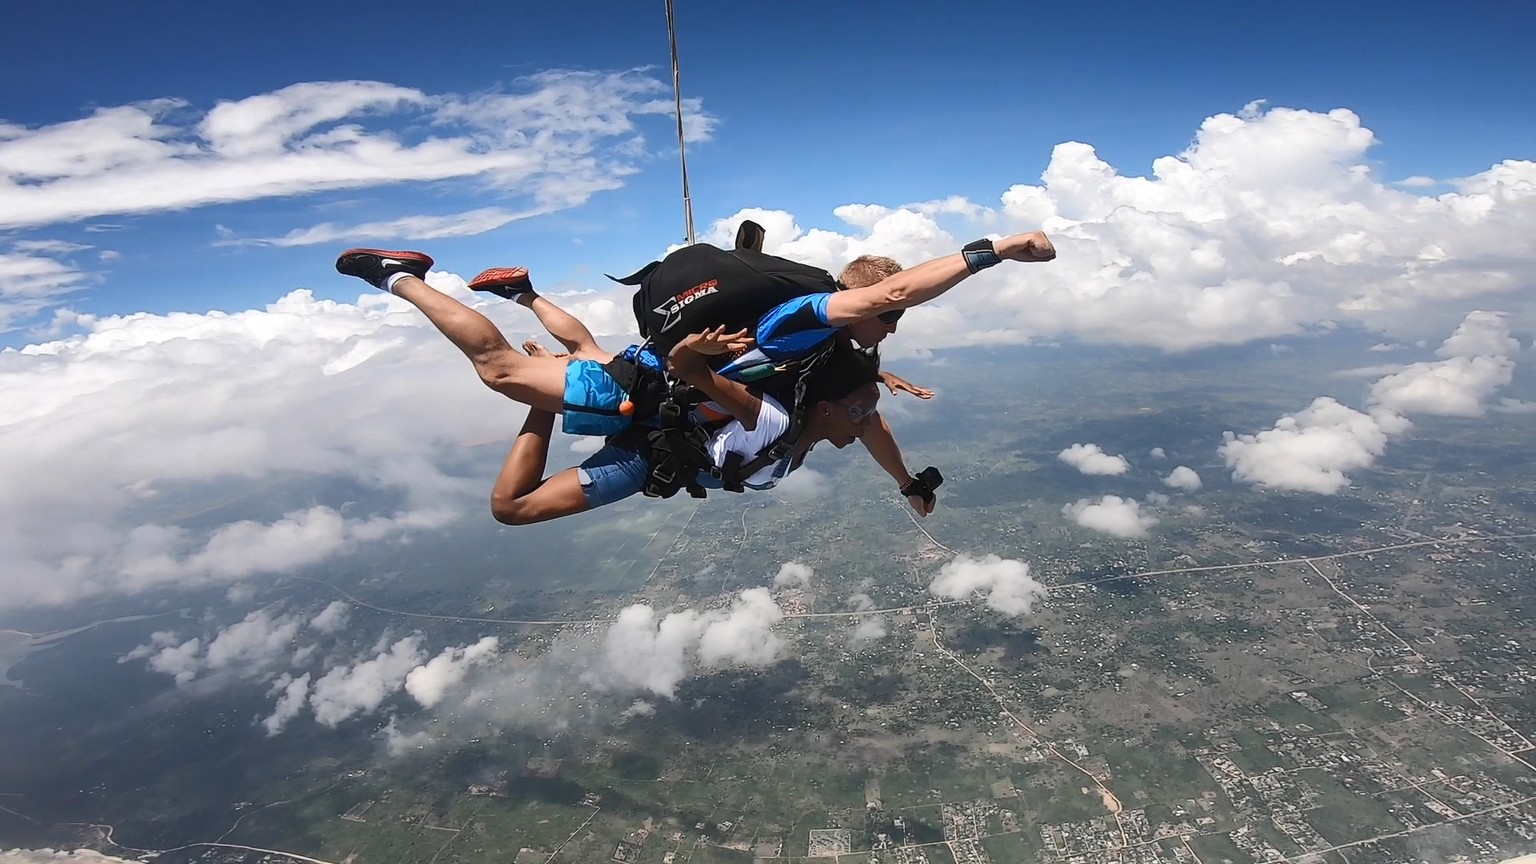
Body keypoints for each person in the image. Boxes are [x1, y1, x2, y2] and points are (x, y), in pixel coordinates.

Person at [333, 249, 941, 523]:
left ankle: (523, 292)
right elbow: (863, 413)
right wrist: (987, 254)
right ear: (858, 303)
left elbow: (866, 420)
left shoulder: (841, 357)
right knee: (503, 371)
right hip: (652, 402)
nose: (890, 328)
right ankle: (401, 278)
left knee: (584, 352)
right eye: (888, 318)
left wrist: (907, 481)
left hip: (659, 436)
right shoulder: (812, 330)